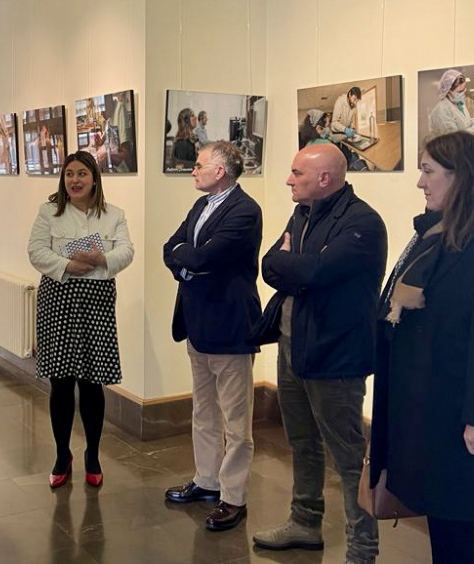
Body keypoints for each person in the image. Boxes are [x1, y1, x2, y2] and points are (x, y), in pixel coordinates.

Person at [369, 131, 474, 564]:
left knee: (467, 534)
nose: (420, 182)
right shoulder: (439, 236)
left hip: (466, 425)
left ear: (462, 177)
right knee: (445, 528)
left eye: (427, 171)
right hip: (433, 417)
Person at [252, 143, 386, 564]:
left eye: (297, 173)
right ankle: (305, 523)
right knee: (302, 441)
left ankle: (363, 551)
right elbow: (270, 264)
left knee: (348, 457)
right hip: (293, 345)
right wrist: (300, 266)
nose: (289, 180)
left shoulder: (363, 224)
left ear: (324, 179)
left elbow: (315, 272)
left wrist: (301, 266)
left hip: (336, 355)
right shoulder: (303, 213)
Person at [163, 141, 262, 532]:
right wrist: (188, 262)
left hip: (230, 325)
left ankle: (233, 497)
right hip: (197, 323)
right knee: (203, 411)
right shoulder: (201, 205)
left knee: (237, 421)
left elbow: (204, 257)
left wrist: (190, 259)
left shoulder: (245, 210)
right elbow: (171, 248)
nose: (193, 170)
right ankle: (207, 481)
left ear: (220, 171)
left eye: (199, 165)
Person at [27, 151, 134, 489]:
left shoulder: (114, 214)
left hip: (97, 300)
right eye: (69, 174)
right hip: (58, 298)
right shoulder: (49, 212)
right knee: (60, 381)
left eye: (82, 174)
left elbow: (127, 251)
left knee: (91, 381)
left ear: (94, 178)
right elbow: (36, 250)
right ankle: (62, 454)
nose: (75, 180)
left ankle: (92, 454)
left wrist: (102, 259)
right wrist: (68, 266)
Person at [428, 69, 474, 138]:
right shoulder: (441, 111)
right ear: (448, 91)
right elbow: (455, 139)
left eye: (463, 90)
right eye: (459, 91)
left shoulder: (459, 104)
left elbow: (467, 122)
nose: (462, 94)